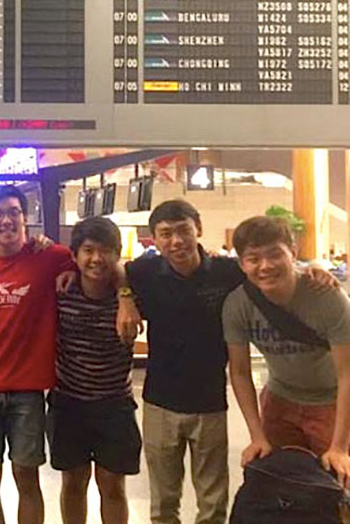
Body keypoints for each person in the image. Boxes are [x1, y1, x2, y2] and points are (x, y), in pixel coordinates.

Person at [115, 200, 336, 524]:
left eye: (182, 231)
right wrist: (125, 298)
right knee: (162, 502)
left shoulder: (226, 273)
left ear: (198, 230)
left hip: (210, 404)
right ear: (155, 240)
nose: (175, 241)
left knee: (213, 501)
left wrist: (312, 270)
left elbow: (265, 269)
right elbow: (119, 268)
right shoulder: (145, 271)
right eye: (165, 234)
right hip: (159, 403)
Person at [0, 185, 75, 524]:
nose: (6, 220)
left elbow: (95, 259)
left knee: (27, 478)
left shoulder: (50, 258)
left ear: (25, 218)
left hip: (28, 392)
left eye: (13, 212)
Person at [224, 216, 350, 486]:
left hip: (331, 403)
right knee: (282, 486)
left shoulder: (328, 298)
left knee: (336, 484)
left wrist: (340, 446)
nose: (265, 266)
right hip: (280, 402)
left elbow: (347, 373)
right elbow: (240, 372)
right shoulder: (238, 305)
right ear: (242, 264)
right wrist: (256, 436)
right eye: (253, 258)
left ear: (292, 253)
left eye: (275, 255)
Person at [49, 218, 140, 524]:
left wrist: (125, 294)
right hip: (68, 403)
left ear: (117, 254)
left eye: (106, 251)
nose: (96, 259)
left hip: (114, 405)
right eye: (88, 250)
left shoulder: (131, 294)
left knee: (112, 485)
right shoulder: (62, 290)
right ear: (75, 256)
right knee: (73, 484)